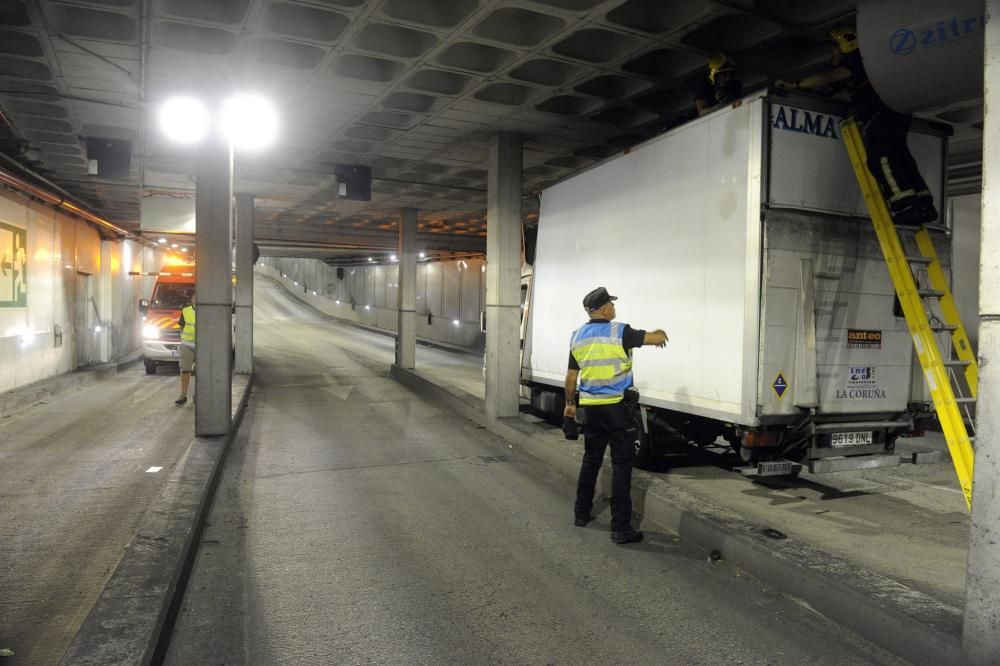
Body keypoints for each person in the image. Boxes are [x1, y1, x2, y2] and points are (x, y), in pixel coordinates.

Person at [778, 27, 937, 227]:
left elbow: (827, 78)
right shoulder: (869, 64)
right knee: (901, 156)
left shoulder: (854, 62)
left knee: (881, 159)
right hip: (894, 113)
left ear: (846, 45)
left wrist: (796, 86)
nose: (833, 53)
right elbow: (831, 88)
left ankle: (906, 205)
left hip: (881, 117)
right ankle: (924, 203)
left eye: (835, 48)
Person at [563, 287, 668, 545]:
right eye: (611, 303)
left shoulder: (578, 336)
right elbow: (655, 339)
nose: (614, 307)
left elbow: (571, 378)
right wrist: (661, 332)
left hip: (591, 409)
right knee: (621, 466)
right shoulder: (619, 331)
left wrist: (569, 404)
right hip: (617, 409)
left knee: (591, 460)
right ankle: (620, 528)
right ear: (603, 308)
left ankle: (581, 513)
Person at [176, 292, 195, 405]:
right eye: (194, 297)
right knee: (185, 370)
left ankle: (198, 395)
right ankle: (183, 395)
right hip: (187, 344)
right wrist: (182, 338)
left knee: (202, 372)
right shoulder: (186, 311)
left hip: (202, 345)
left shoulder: (206, 310)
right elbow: (181, 326)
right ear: (192, 299)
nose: (196, 299)